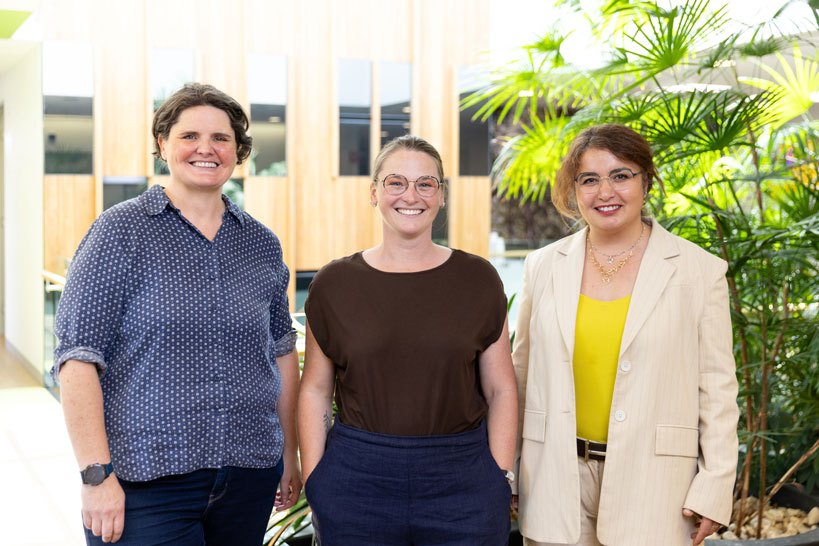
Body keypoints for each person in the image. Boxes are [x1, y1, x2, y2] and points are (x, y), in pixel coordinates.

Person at [52, 83, 301, 545]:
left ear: (238, 151)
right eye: (190, 136)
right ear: (163, 144)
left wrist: (290, 455)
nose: (206, 148)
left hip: (248, 475)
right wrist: (95, 476)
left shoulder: (261, 243)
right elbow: (77, 358)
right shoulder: (119, 232)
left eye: (221, 138)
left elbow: (282, 351)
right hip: (144, 483)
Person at [512, 124, 739, 546]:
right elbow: (520, 378)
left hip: (656, 485)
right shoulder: (542, 266)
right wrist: (508, 470)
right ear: (574, 189)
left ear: (646, 181)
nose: (605, 192)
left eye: (621, 175)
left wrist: (714, 486)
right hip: (554, 478)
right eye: (589, 179)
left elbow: (718, 392)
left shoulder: (699, 270)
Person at [298, 135, 518, 545]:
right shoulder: (333, 284)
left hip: (464, 479)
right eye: (396, 182)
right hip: (356, 478)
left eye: (425, 183)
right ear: (374, 192)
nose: (410, 195)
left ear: (441, 195)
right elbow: (314, 389)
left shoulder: (478, 279)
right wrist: (316, 479)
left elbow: (501, 388)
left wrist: (500, 475)